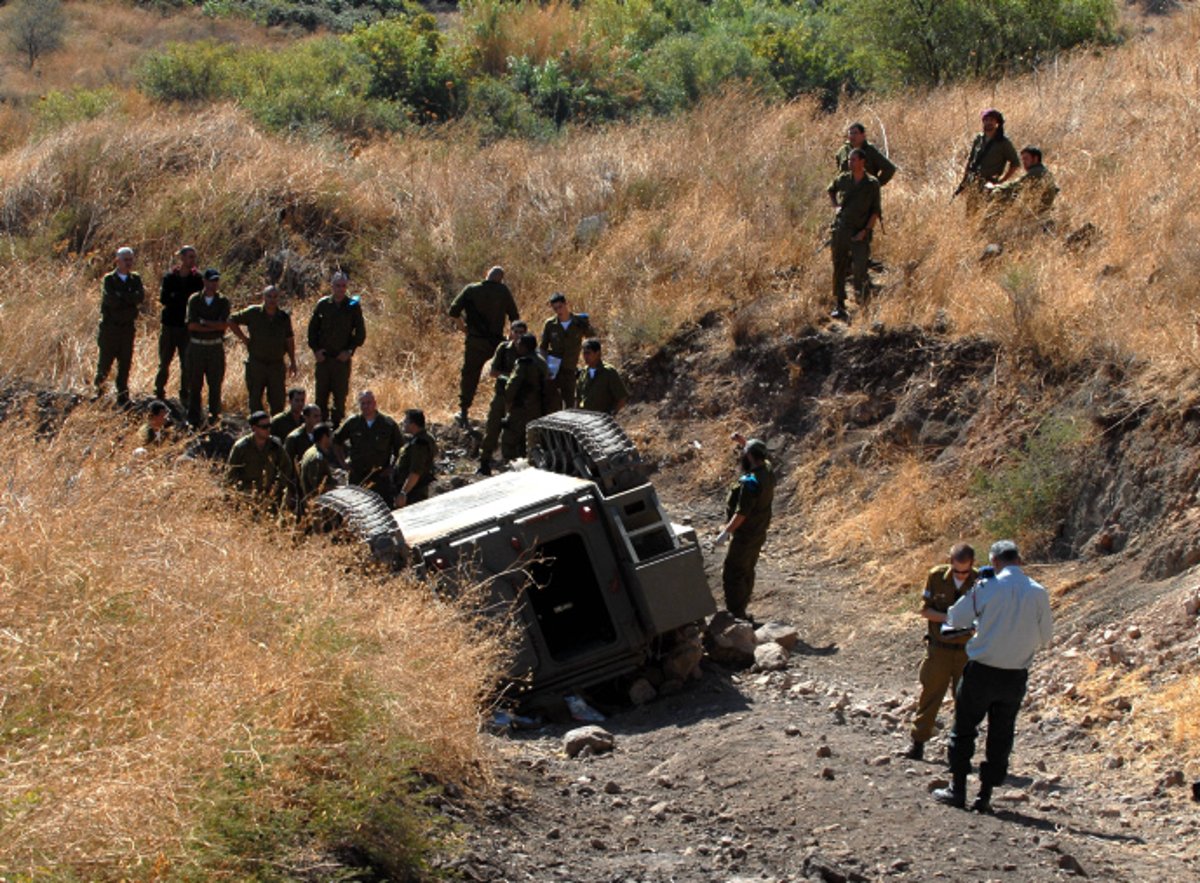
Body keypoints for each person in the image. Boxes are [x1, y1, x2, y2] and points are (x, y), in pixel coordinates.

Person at [933, 540, 1054, 813]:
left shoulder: (988, 586)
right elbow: (1046, 636)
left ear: (994, 561)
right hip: (1014, 676)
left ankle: (958, 789)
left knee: (963, 729)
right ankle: (984, 796)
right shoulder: (1038, 592)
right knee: (1001, 735)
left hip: (982, 671)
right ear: (1019, 561)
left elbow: (956, 616)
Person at [906, 543, 978, 761]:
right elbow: (924, 610)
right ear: (950, 563)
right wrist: (951, 617)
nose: (961, 575)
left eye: (965, 571)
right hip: (940, 649)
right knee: (930, 696)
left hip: (966, 651)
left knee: (965, 702)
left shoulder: (981, 581)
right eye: (957, 571)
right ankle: (917, 743)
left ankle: (959, 752)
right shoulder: (936, 577)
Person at [713, 434, 775, 622]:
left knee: (733, 571)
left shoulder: (750, 484)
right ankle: (742, 608)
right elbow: (760, 454)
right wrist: (744, 442)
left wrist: (726, 532)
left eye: (744, 452)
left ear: (748, 457)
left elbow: (741, 514)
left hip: (745, 535)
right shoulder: (768, 471)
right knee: (748, 569)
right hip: (759, 532)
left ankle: (737, 614)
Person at [448, 265, 519, 427]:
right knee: (504, 374)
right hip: (496, 342)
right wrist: (510, 337)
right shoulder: (503, 291)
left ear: (486, 274)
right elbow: (514, 317)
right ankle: (506, 411)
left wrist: (463, 328)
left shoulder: (471, 289)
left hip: (475, 341)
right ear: (501, 279)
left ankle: (464, 411)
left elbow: (453, 311)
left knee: (470, 375)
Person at [827, 149, 882, 322]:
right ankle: (840, 304)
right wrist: (835, 206)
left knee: (860, 268)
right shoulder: (843, 179)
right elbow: (831, 190)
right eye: (849, 160)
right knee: (839, 266)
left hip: (860, 231)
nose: (850, 163)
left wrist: (865, 231)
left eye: (854, 160)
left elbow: (876, 211)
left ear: (862, 161)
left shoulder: (872, 183)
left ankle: (864, 303)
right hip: (842, 230)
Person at [307, 272, 366, 427]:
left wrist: (349, 351)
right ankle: (320, 429)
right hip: (324, 359)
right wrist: (316, 350)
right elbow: (312, 330)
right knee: (321, 397)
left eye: (343, 286)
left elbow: (360, 334)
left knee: (340, 397)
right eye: (337, 285)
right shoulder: (323, 305)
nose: (340, 289)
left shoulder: (353, 306)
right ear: (331, 286)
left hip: (341, 360)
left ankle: (337, 429)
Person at [229, 285, 297, 416]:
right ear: (263, 297)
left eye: (275, 297)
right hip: (256, 364)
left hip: (276, 365)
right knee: (255, 401)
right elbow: (231, 320)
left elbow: (289, 339)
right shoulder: (253, 313)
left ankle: (275, 432)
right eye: (269, 296)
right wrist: (243, 338)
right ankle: (257, 431)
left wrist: (293, 361)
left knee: (278, 402)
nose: (272, 300)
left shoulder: (283, 317)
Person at [93, 246, 145, 405]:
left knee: (125, 362)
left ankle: (123, 395)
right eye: (125, 259)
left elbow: (139, 297)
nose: (128, 263)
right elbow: (111, 301)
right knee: (105, 362)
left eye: (130, 259)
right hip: (110, 328)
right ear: (117, 261)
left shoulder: (135, 279)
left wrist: (122, 296)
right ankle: (99, 392)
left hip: (127, 328)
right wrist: (128, 298)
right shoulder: (109, 279)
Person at [334, 389, 404, 505]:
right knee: (356, 508)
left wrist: (392, 468)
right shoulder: (352, 422)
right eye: (363, 403)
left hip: (380, 478)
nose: (366, 406)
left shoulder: (387, 424)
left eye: (369, 403)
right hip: (357, 476)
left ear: (375, 403)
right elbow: (336, 441)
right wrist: (343, 463)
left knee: (381, 509)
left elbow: (400, 449)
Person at [478, 319, 527, 475]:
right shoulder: (504, 348)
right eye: (516, 332)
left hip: (519, 398)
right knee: (492, 428)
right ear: (510, 332)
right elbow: (493, 372)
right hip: (501, 395)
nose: (518, 335)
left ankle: (514, 465)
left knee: (515, 432)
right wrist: (512, 377)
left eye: (522, 332)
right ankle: (484, 461)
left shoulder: (528, 349)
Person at [154, 245, 202, 404]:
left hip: (186, 328)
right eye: (189, 257)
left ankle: (185, 394)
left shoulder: (197, 279)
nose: (192, 260)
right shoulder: (170, 277)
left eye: (194, 257)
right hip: (169, 326)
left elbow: (197, 302)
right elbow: (164, 299)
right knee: (164, 362)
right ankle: (159, 391)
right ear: (181, 258)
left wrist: (178, 298)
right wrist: (182, 299)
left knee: (187, 364)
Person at [184, 268, 231, 428]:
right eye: (211, 280)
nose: (214, 284)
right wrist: (213, 326)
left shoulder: (223, 301)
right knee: (195, 384)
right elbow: (192, 325)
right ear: (204, 281)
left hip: (215, 348)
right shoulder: (195, 300)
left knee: (215, 384)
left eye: (216, 281)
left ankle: (214, 417)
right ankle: (193, 418)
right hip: (197, 348)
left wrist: (204, 322)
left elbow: (224, 325)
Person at [957, 109, 1021, 212]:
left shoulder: (1004, 142)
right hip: (975, 182)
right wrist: (965, 182)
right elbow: (970, 161)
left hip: (990, 184)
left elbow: (1015, 163)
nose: (988, 122)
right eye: (986, 120)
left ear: (997, 123)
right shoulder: (979, 139)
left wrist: (1002, 181)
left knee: (987, 214)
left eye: (991, 120)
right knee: (971, 213)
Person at [225, 410, 294, 506]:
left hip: (270, 497)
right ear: (254, 428)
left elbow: (286, 466)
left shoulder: (275, 445)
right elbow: (230, 474)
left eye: (269, 426)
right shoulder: (241, 447)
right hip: (247, 498)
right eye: (264, 427)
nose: (268, 429)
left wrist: (278, 486)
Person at [501, 332, 549, 461]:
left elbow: (512, 385)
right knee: (530, 439)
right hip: (538, 406)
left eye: (519, 344)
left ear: (524, 347)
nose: (517, 346)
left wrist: (507, 401)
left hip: (521, 406)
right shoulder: (541, 361)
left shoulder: (523, 363)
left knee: (509, 437)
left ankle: (509, 465)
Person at [985, 145, 1059, 228]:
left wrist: (994, 188)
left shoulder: (1036, 172)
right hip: (1041, 212)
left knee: (1002, 195)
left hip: (1037, 214)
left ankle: (987, 227)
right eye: (1022, 159)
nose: (1024, 162)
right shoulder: (1044, 171)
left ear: (1035, 159)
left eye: (1026, 159)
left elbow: (1016, 185)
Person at [540, 292, 592, 410]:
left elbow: (592, 339)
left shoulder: (578, 322)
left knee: (570, 402)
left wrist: (586, 324)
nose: (559, 311)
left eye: (560, 307)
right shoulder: (550, 324)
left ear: (566, 304)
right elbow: (543, 347)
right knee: (551, 401)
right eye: (555, 308)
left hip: (570, 368)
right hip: (554, 368)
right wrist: (545, 367)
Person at [395, 409, 438, 507]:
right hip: (414, 491)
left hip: (414, 494)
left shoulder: (419, 444)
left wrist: (403, 493)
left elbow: (415, 472)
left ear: (413, 425)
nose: (403, 423)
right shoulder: (423, 438)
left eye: (405, 421)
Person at [576, 338, 628, 416]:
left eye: (588, 353)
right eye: (584, 353)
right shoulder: (583, 372)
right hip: (585, 419)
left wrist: (612, 414)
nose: (585, 356)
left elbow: (622, 398)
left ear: (597, 353)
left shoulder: (608, 372)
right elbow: (579, 397)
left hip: (601, 419)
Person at [298, 422, 338, 502]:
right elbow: (317, 487)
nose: (332, 438)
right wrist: (337, 487)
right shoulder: (317, 458)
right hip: (316, 504)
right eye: (330, 435)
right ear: (324, 437)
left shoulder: (310, 451)